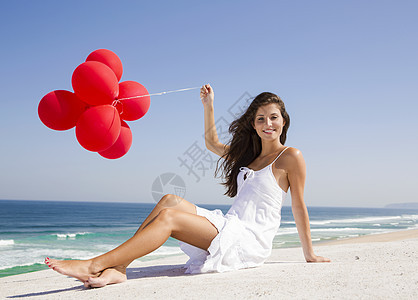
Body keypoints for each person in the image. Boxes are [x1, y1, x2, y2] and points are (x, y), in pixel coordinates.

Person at [45, 84, 330, 288]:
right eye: (260, 118)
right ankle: (119, 267)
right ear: (254, 125)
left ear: (283, 121)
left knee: (170, 219)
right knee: (169, 200)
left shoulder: (291, 156)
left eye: (273, 117)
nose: (268, 123)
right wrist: (209, 106)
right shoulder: (250, 156)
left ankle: (94, 265)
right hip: (231, 225)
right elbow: (211, 144)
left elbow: (298, 205)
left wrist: (310, 254)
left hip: (249, 240)